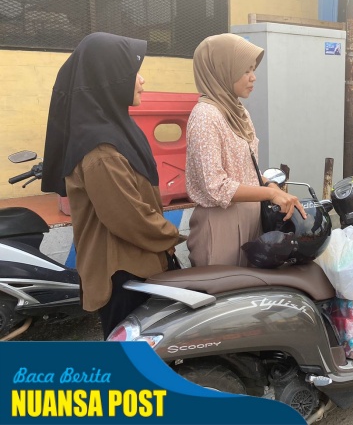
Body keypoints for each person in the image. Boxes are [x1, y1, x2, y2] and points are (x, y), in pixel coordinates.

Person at [41, 32, 181, 339]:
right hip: (122, 275)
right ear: (109, 78)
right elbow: (129, 218)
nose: (142, 80)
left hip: (139, 264)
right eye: (134, 72)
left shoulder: (118, 129)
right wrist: (174, 235)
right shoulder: (100, 150)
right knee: (135, 365)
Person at [185, 33, 305, 267]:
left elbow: (244, 170)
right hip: (221, 225)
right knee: (225, 298)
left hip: (251, 219)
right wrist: (270, 194)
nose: (253, 77)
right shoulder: (206, 116)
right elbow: (215, 186)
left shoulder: (238, 112)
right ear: (222, 70)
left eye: (253, 69)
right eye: (245, 70)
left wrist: (269, 184)